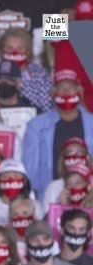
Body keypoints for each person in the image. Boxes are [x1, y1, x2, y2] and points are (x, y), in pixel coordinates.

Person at [22, 69, 93, 201]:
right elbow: (30, 166)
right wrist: (34, 195)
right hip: (51, 193)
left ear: (80, 92)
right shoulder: (36, 125)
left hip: (89, 193)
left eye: (71, 88)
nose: (66, 92)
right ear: (53, 94)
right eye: (61, 88)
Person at [0, 28, 54, 112]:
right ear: (2, 50)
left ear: (28, 51)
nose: (14, 52)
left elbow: (47, 109)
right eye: (9, 48)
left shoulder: (40, 74)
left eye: (20, 48)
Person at [0, 159, 43, 238]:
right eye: (5, 176)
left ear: (24, 181)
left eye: (16, 175)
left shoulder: (35, 205)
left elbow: (43, 235)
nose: (11, 179)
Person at [43, 137, 93, 211]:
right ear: (63, 159)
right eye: (69, 153)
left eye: (80, 152)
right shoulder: (54, 187)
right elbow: (48, 219)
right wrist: (62, 206)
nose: (75, 157)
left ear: (87, 157)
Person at [9, 196, 36, 265]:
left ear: (33, 216)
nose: (20, 218)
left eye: (25, 213)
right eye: (15, 214)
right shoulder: (6, 244)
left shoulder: (43, 240)